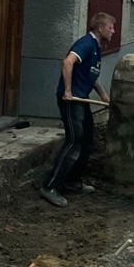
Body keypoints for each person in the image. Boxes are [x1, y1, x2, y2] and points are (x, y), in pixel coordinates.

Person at [39, 11, 116, 208]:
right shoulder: (86, 43)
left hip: (81, 100)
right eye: (110, 28)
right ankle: (49, 186)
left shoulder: (96, 48)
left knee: (87, 139)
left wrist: (104, 96)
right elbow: (67, 62)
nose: (113, 31)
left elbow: (92, 75)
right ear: (100, 28)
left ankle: (72, 181)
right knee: (74, 141)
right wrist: (67, 90)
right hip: (71, 101)